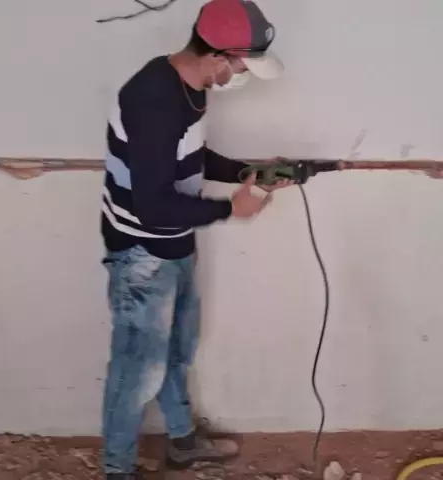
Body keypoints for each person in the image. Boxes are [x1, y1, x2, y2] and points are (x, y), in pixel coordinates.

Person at [100, 0, 288, 478]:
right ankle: (117, 470)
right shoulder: (152, 99)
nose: (241, 74)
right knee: (136, 370)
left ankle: (182, 440)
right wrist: (230, 210)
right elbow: (152, 205)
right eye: (241, 65)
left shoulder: (192, 87)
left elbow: (193, 155)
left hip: (174, 240)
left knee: (176, 351)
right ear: (217, 56)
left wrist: (249, 171)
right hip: (141, 252)